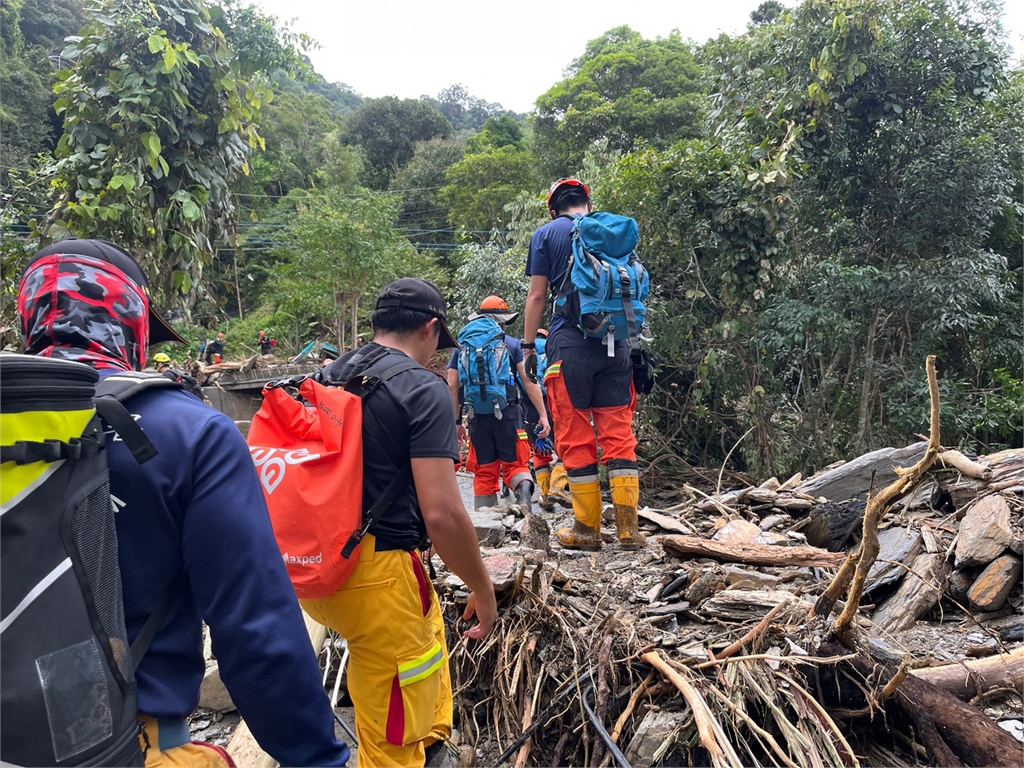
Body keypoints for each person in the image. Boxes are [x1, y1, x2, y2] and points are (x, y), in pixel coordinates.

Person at [16, 239, 350, 767]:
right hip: (126, 745)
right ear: (133, 323)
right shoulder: (189, 432)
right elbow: (255, 631)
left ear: (28, 312)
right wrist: (319, 758)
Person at [302, 278, 498, 768]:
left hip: (318, 565)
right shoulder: (422, 388)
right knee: (393, 732)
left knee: (424, 642)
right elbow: (444, 514)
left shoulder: (328, 376)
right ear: (431, 329)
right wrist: (483, 588)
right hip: (376, 576)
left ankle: (434, 746)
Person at [522, 178, 646, 551]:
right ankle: (628, 529)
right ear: (587, 203)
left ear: (553, 207)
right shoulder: (612, 232)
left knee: (576, 436)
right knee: (619, 436)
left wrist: (529, 347)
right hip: (618, 346)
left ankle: (587, 530)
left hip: (569, 346)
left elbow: (538, 295)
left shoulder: (547, 235)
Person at [446, 296, 551, 511]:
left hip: (477, 417)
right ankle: (523, 504)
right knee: (516, 465)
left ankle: (487, 528)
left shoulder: (461, 347)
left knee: (484, 471)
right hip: (509, 415)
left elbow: (452, 387)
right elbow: (530, 382)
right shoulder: (511, 344)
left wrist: (456, 422)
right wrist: (543, 414)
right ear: (501, 322)